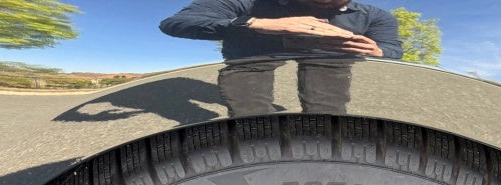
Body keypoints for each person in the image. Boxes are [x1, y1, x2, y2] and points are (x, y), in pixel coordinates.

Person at [160, 0, 403, 115]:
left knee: (328, 121)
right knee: (253, 124)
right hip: (250, 69)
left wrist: (376, 52)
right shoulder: (246, 2)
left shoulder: (375, 16)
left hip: (332, 71)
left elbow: (393, 50)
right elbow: (176, 23)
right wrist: (257, 23)